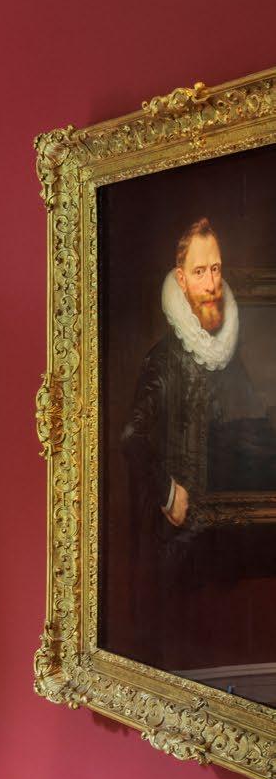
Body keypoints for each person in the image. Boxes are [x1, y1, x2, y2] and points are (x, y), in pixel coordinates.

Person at [120, 217, 276, 631]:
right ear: (181, 279)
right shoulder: (164, 359)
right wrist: (168, 492)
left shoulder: (229, 350)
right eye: (199, 271)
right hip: (180, 540)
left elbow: (241, 427)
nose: (210, 284)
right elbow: (132, 437)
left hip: (228, 532)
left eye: (216, 269)